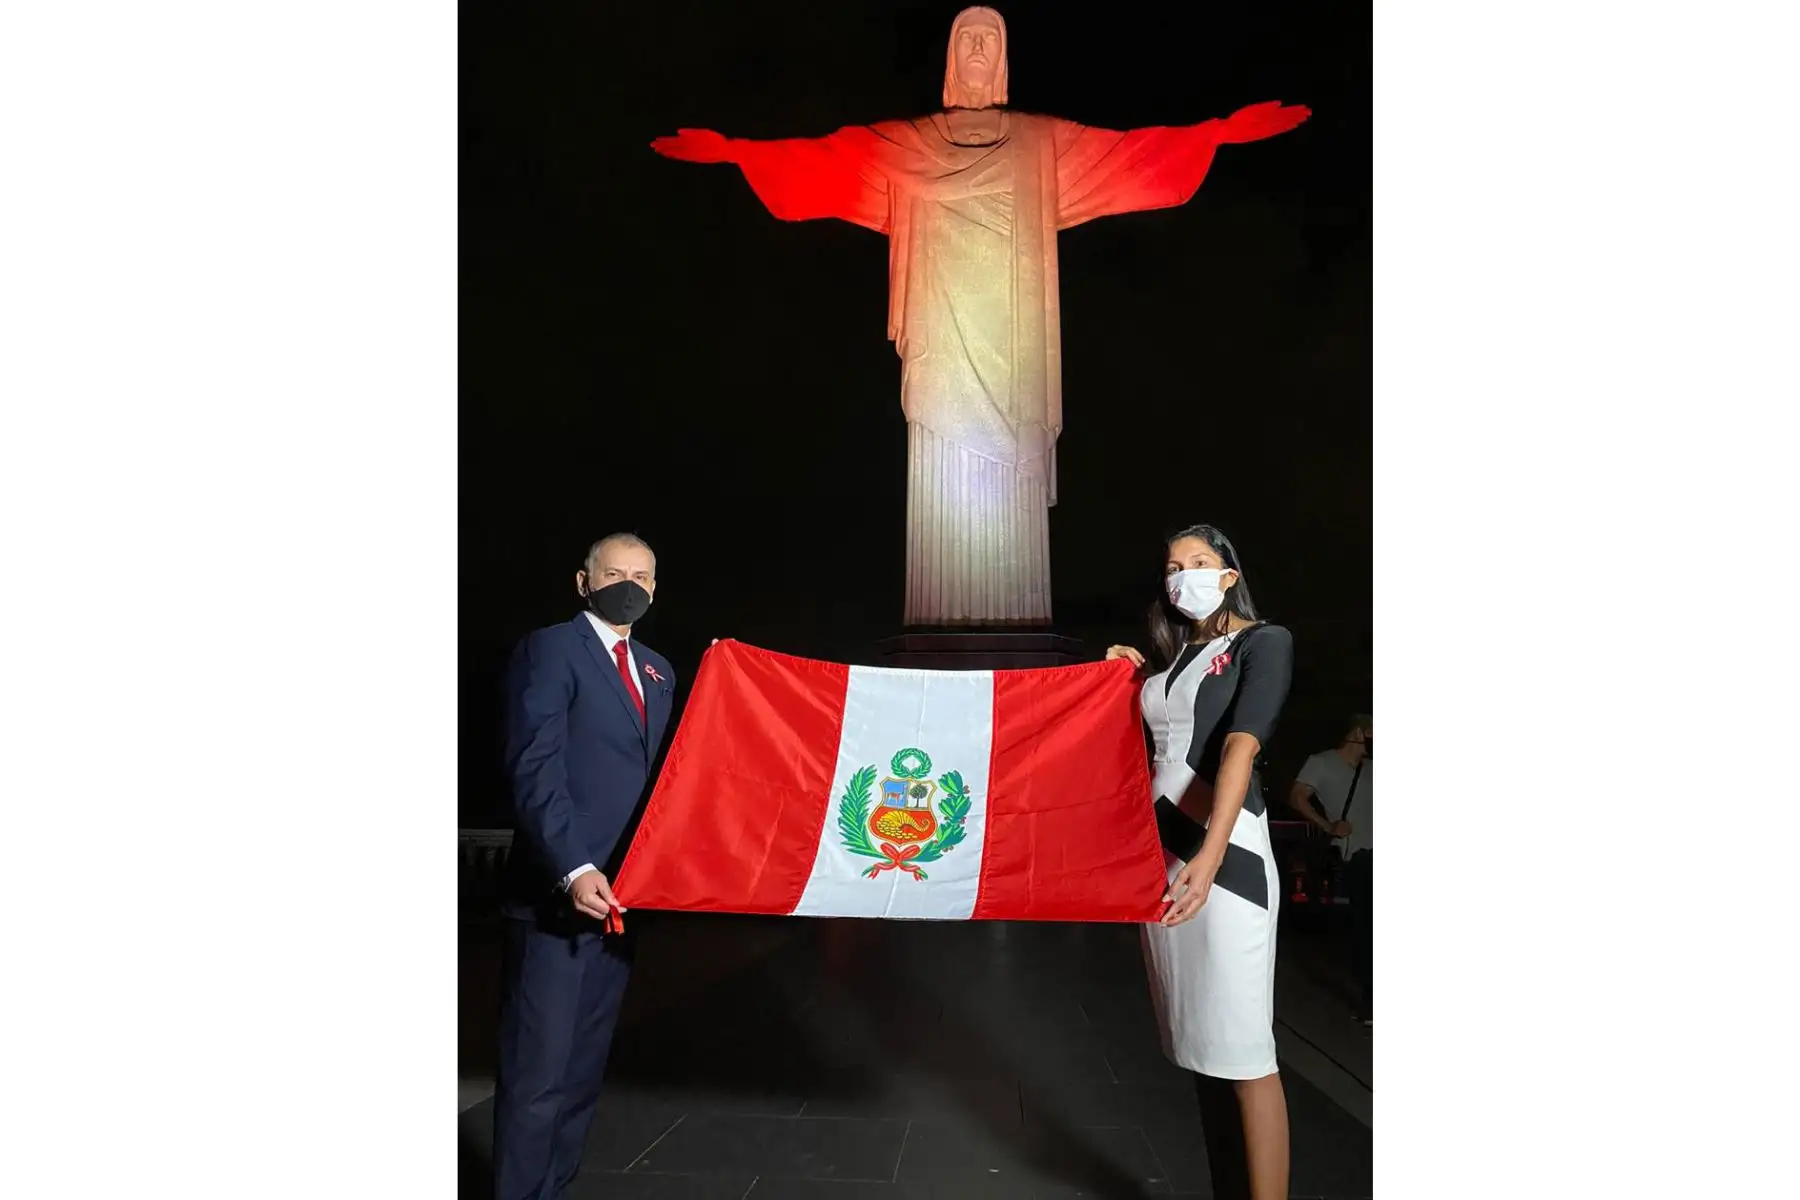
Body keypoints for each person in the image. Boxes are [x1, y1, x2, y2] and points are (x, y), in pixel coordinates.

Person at [1107, 524, 1294, 1200]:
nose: (1182, 574)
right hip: (1160, 861)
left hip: (1226, 856)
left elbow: (1241, 747)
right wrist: (1123, 678)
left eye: (1200, 562)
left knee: (1245, 1051)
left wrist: (1211, 857)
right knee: (1201, 1049)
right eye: (1173, 566)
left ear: (1229, 572)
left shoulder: (1262, 643)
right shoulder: (1175, 660)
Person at [493, 534, 678, 1200]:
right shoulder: (550, 650)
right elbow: (534, 766)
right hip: (558, 898)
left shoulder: (659, 670)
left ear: (655, 589)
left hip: (623, 906)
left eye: (641, 576)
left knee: (580, 1072)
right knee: (537, 1076)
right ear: (583, 582)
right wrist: (572, 867)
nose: (628, 585)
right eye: (613, 573)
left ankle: (555, 1188)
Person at [1292, 717, 1373, 1025]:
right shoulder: (1322, 762)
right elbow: (1297, 796)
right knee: (1368, 929)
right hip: (1360, 854)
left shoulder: (1373, 768)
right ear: (1359, 731)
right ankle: (1371, 1000)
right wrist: (1328, 826)